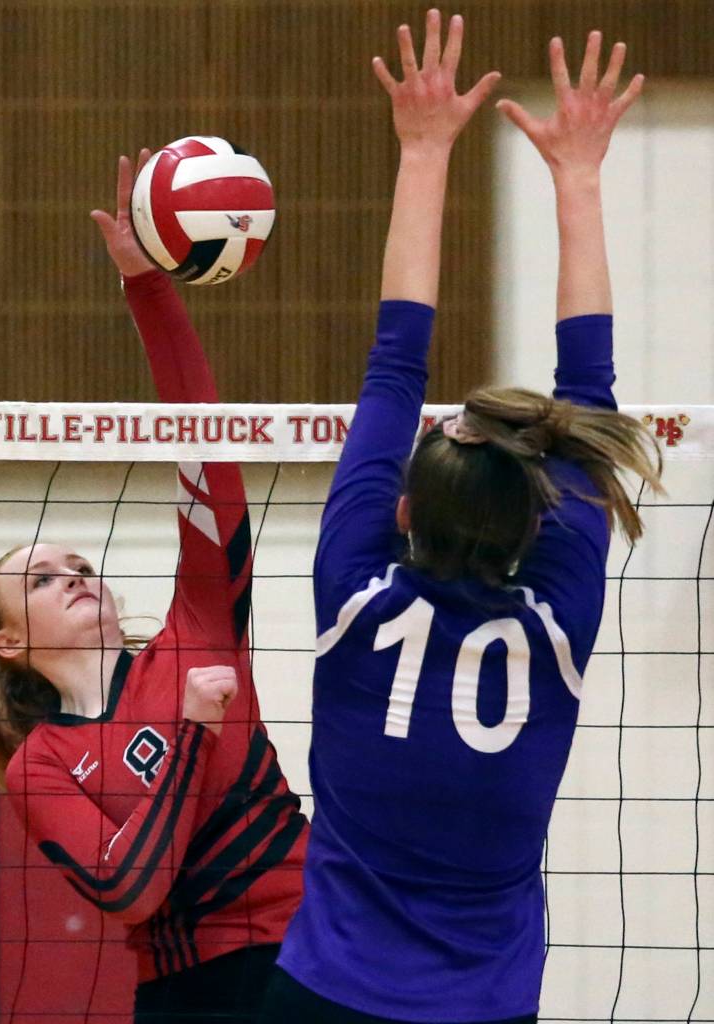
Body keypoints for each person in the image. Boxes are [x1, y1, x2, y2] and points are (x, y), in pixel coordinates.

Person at [262, 11, 661, 1024]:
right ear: (532, 524)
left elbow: (397, 356)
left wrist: (424, 151)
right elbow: (586, 388)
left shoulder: (354, 593)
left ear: (400, 509)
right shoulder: (554, 623)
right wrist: (575, 177)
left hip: (325, 995)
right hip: (481, 1004)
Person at [0, 152, 308, 1024]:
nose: (73, 576)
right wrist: (192, 735)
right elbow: (131, 888)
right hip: (188, 991)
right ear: (10, 642)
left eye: (79, 565)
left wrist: (146, 290)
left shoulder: (196, 631)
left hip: (311, 956)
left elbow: (204, 449)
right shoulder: (41, 763)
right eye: (41, 580)